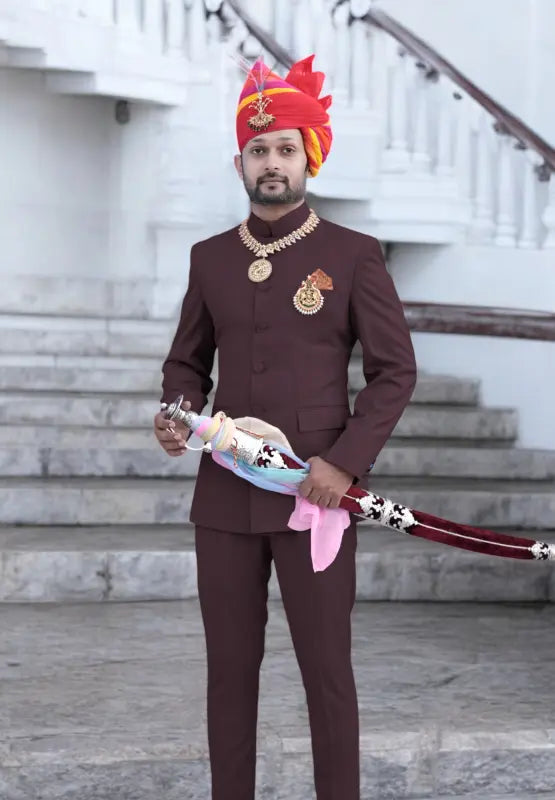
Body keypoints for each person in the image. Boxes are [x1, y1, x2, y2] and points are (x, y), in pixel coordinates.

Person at [154, 55, 417, 800]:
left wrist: (343, 464)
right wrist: (174, 412)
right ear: (238, 159)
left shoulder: (352, 256)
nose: (271, 163)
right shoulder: (209, 259)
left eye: (284, 150)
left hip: (315, 496)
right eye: (257, 149)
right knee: (228, 673)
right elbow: (186, 365)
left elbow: (394, 372)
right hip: (225, 499)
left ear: (310, 157)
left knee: (326, 671)